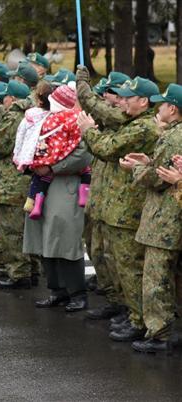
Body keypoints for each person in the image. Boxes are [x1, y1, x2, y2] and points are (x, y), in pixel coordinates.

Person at [78, 77, 160, 342]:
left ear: (144, 102)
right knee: (118, 264)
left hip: (128, 211)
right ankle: (129, 311)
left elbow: (107, 148)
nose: (122, 101)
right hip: (116, 208)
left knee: (130, 267)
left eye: (128, 98)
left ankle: (138, 320)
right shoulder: (131, 121)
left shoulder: (144, 127)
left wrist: (88, 129)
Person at [120, 84, 182, 353]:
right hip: (170, 218)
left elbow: (155, 178)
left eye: (163, 104)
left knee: (156, 279)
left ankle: (160, 333)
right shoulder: (173, 135)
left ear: (173, 109)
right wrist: (149, 161)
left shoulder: (173, 137)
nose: (159, 108)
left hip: (165, 220)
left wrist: (138, 167)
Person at [75, 67, 131, 322]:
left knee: (121, 261)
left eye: (111, 93)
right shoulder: (112, 120)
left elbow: (102, 144)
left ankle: (127, 308)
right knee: (99, 252)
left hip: (120, 207)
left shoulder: (124, 119)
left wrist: (82, 82)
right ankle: (114, 301)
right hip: (102, 201)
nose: (106, 97)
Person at [0, 81, 39, 287]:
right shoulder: (34, 115)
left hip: (10, 182)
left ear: (10, 98)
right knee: (25, 230)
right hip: (25, 181)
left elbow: (0, 143)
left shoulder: (14, 117)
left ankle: (19, 274)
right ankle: (32, 270)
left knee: (12, 231)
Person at [14, 83, 91, 219]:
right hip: (50, 175)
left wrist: (49, 166)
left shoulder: (41, 118)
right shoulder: (48, 119)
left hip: (62, 186)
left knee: (56, 233)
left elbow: (83, 154)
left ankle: (34, 201)